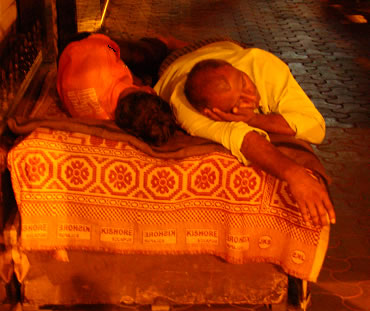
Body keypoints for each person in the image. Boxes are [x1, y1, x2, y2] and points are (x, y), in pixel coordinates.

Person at [154, 40, 336, 226]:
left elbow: (316, 127)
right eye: (238, 102)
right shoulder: (187, 109)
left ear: (234, 68)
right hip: (176, 64)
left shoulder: (263, 65)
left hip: (223, 45)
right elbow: (242, 137)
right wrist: (293, 174)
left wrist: (253, 119)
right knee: (152, 54)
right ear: (211, 113)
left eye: (243, 81)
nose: (250, 96)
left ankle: (175, 42)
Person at [57, 32, 180, 146]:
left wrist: (126, 69)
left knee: (139, 55)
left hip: (82, 44)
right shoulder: (103, 119)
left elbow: (110, 46)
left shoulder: (106, 59)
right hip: (71, 58)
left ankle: (165, 43)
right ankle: (166, 43)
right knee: (142, 61)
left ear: (149, 91)